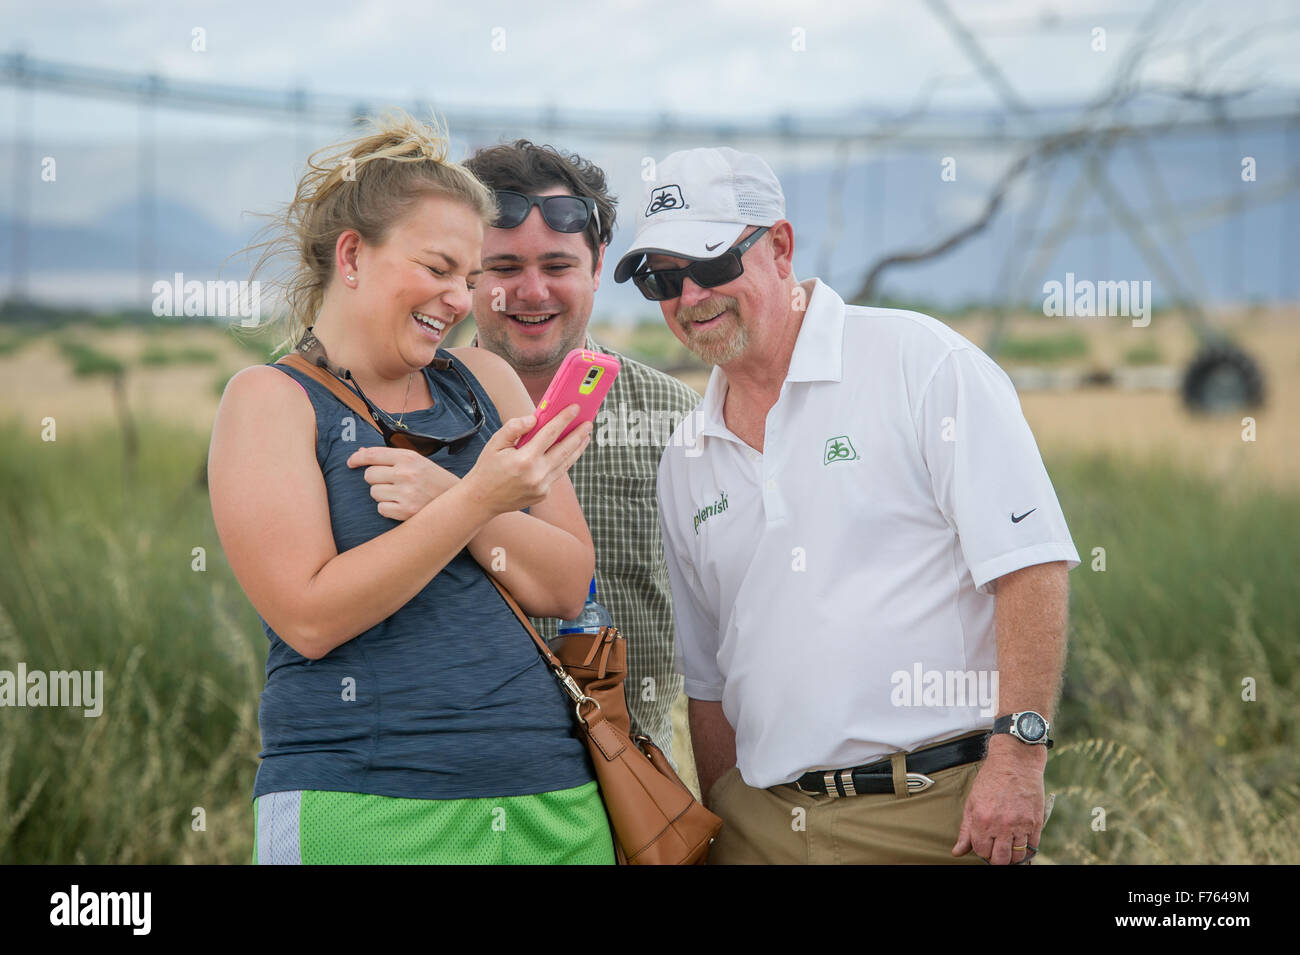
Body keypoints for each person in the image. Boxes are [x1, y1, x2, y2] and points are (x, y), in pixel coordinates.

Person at [615, 146, 1081, 865]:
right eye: (663, 278)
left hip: (934, 815)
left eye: (710, 265)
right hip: (761, 825)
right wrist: (725, 815)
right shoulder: (685, 456)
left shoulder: (922, 363)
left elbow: (1032, 564)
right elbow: (708, 684)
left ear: (779, 246)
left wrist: (1018, 758)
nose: (689, 296)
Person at [207, 110, 615, 864]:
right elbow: (311, 617)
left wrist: (447, 496)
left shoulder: (486, 380)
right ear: (353, 255)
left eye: (468, 277)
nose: (460, 300)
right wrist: (474, 500)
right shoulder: (270, 400)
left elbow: (565, 582)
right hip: (364, 808)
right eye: (437, 270)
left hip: (552, 802)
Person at [454, 140, 701, 760]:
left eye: (558, 266)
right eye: (505, 268)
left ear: (597, 267)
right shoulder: (403, 411)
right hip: (450, 791)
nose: (532, 292)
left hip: (631, 790)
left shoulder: (675, 420)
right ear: (465, 273)